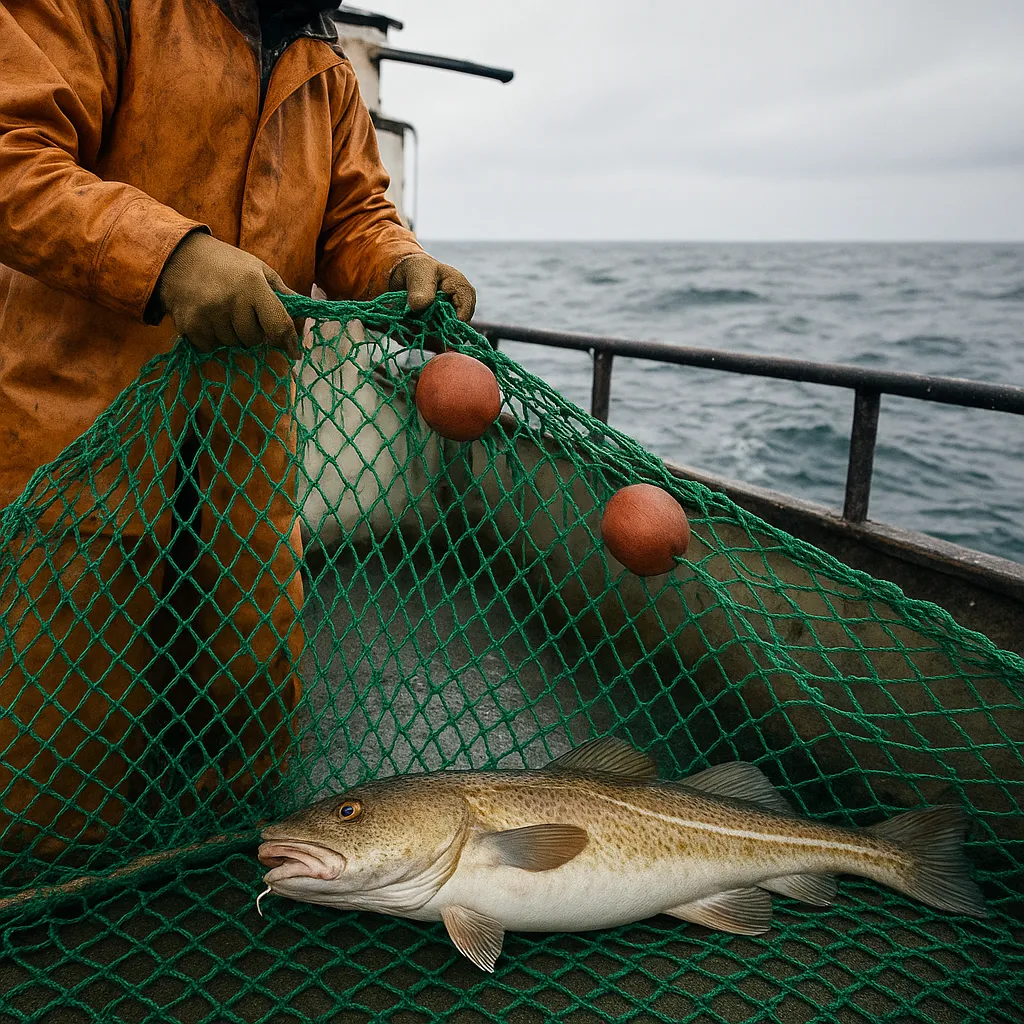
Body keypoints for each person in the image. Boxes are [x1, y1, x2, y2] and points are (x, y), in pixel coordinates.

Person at [0, 0, 475, 856]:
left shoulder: (326, 69)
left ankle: (220, 853)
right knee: (58, 714)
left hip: (247, 434)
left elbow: (354, 215)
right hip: (78, 428)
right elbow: (13, 155)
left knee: (246, 681)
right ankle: (53, 886)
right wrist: (169, 256)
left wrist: (399, 261)